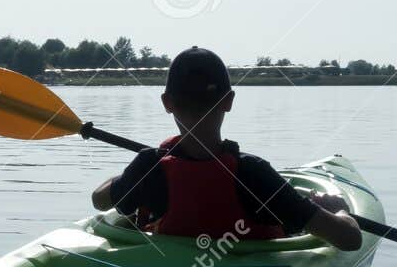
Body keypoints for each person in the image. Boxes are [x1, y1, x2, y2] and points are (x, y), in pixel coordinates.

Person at [90, 47, 362, 250]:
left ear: (167, 103)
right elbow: (349, 239)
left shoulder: (148, 166)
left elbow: (99, 199)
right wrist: (339, 210)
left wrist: (130, 175)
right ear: (228, 101)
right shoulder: (255, 175)